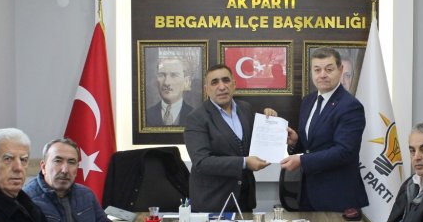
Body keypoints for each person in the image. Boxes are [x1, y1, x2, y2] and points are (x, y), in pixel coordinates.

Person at [281, 47, 368, 212]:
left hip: (338, 197)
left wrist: (302, 161)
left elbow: (344, 151)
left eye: (329, 69)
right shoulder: (308, 101)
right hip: (307, 194)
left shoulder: (350, 106)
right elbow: (311, 146)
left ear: (340, 70)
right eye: (317, 69)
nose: (322, 75)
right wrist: (296, 142)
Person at [184, 64, 276, 212]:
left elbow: (256, 143)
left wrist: (270, 122)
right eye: (214, 82)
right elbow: (201, 162)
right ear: (207, 89)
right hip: (213, 202)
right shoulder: (196, 118)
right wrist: (244, 162)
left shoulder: (245, 108)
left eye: (226, 80)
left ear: (234, 84)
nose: (221, 87)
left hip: (244, 200)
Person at [146, 56, 195, 126]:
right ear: (156, 81)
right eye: (161, 75)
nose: (166, 82)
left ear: (186, 81)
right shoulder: (146, 115)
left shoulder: (196, 115)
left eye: (174, 75)